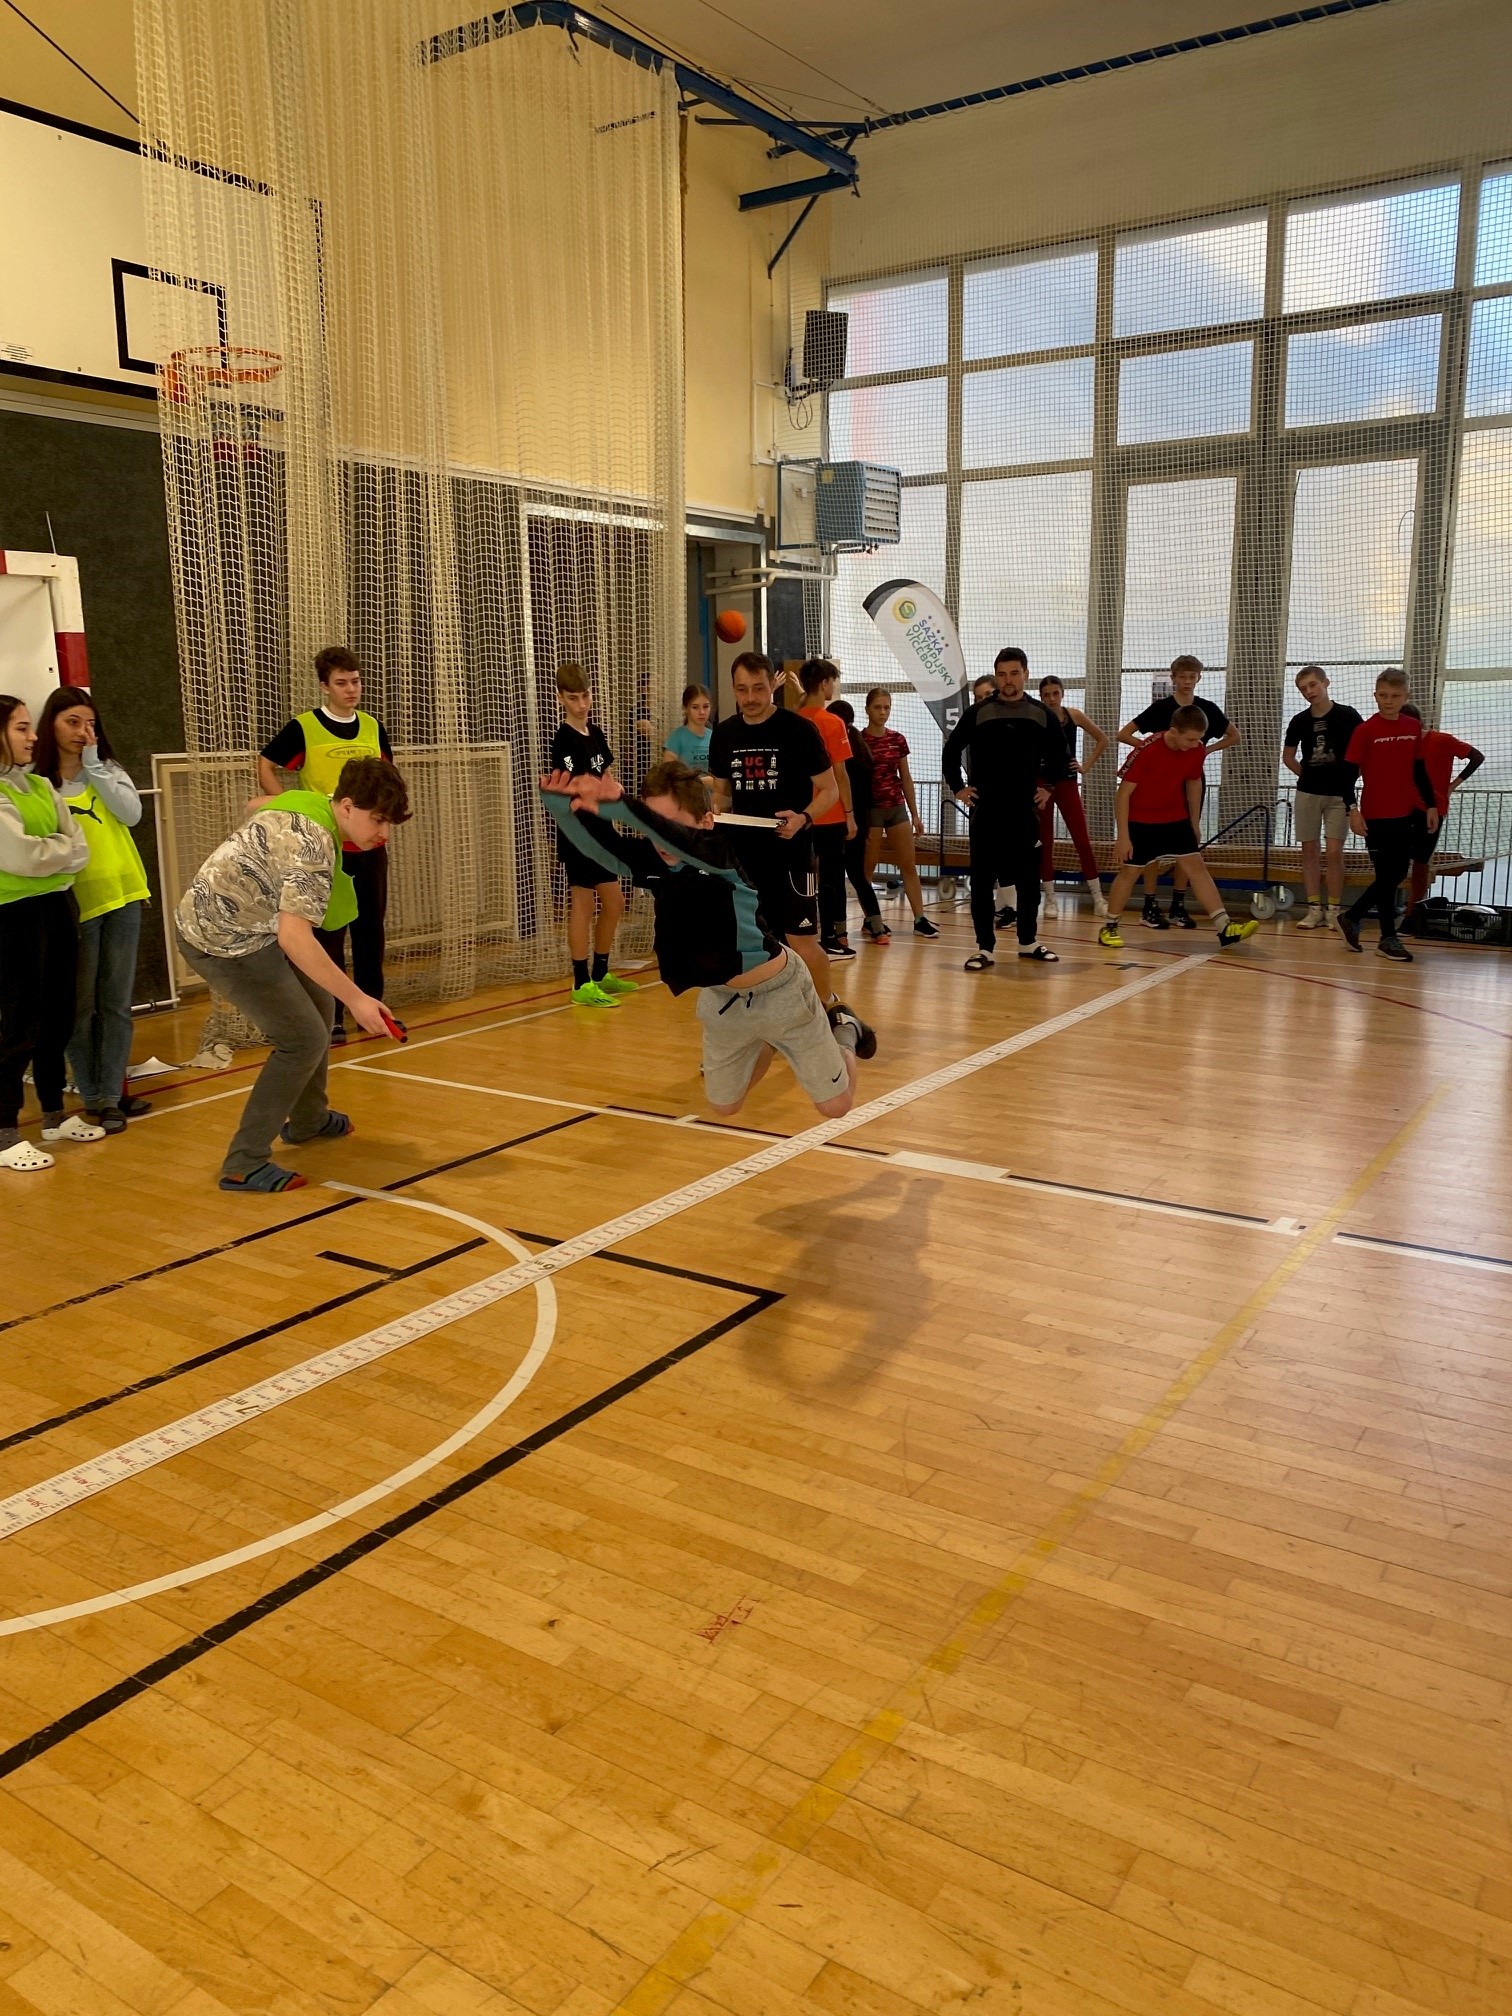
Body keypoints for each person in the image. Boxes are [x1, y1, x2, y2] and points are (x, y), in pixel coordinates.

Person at [541, 760, 873, 1119]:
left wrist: (622, 806)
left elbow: (675, 838)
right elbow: (602, 849)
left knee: (835, 1106)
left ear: (706, 821)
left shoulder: (719, 855)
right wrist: (561, 806)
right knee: (724, 1106)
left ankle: (844, 1029)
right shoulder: (655, 863)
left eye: (670, 824)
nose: (660, 839)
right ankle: (764, 1041)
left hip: (781, 993)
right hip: (724, 1001)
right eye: (654, 825)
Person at [176, 756, 409, 1191]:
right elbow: (294, 939)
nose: (384, 833)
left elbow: (255, 804)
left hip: (250, 925)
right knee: (302, 1039)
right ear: (346, 806)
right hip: (220, 939)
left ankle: (308, 1120)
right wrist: (358, 999)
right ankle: (244, 1163)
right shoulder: (314, 848)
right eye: (378, 819)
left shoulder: (313, 801)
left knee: (319, 1005)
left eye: (389, 822)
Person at [258, 645, 395, 1043]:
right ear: (324, 686)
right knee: (328, 932)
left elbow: (387, 781)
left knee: (371, 929)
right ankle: (331, 1013)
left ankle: (373, 1009)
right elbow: (265, 764)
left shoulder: (372, 727)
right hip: (327, 849)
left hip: (368, 849)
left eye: (356, 681)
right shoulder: (305, 727)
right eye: (341, 683)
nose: (351, 689)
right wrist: (292, 807)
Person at [31, 686, 151, 1134]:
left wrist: (95, 765)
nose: (83, 731)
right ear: (51, 726)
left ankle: (111, 1096)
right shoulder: (38, 782)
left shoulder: (107, 769)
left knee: (116, 1003)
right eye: (72, 722)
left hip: (122, 894)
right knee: (79, 1007)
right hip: (72, 903)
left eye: (90, 724)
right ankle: (93, 1094)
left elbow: (131, 814)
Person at [707, 652, 841, 1015]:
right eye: (742, 689)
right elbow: (723, 793)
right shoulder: (725, 734)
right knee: (755, 941)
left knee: (802, 940)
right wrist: (714, 810)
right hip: (744, 859)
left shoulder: (798, 730)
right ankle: (766, 1021)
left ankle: (830, 1010)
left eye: (758, 688)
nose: (750, 697)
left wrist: (803, 817)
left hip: (792, 854)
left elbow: (830, 790)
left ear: (772, 686)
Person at [0, 694, 97, 1172]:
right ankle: (4, 1130)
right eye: (21, 728)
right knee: (19, 1019)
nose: (32, 735)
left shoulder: (39, 785)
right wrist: (56, 851)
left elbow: (80, 849)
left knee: (59, 1012)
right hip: (12, 914)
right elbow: (19, 856)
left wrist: (52, 851)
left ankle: (54, 1114)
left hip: (57, 905)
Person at [941, 647, 1068, 969]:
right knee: (983, 882)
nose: (1008, 680)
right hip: (986, 812)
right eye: (1002, 674)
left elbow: (1060, 753)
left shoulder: (1041, 713)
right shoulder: (978, 712)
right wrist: (958, 787)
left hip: (1024, 812)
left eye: (1014, 673)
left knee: (1028, 882)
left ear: (1025, 674)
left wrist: (1049, 787)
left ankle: (1028, 942)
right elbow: (951, 751)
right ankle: (985, 948)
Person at [1096, 707, 1259, 950]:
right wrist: (1123, 837)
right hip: (1141, 820)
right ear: (1173, 732)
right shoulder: (1147, 750)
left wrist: (1194, 822)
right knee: (1130, 872)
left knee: (1196, 866)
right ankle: (1109, 927)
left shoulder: (1196, 750)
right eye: (1190, 739)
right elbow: (1123, 795)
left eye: (1199, 739)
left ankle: (1225, 927)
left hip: (1175, 817)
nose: (1196, 745)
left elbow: (1194, 782)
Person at [1117, 655, 1239, 929]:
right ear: (1173, 678)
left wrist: (1204, 750)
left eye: (1191, 676)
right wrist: (1150, 752)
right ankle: (1150, 904)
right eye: (1182, 676)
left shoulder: (1206, 709)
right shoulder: (1161, 708)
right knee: (1148, 844)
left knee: (1188, 843)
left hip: (1189, 781)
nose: (1186, 681)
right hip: (1158, 783)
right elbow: (1123, 734)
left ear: (1199, 678)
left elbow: (1234, 735)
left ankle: (1178, 904)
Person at [549, 662, 638, 1008]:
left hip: (602, 830)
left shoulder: (596, 734)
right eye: (573, 698)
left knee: (615, 903)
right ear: (561, 698)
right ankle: (580, 982)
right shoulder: (563, 740)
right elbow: (577, 786)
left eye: (585, 696)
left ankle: (600, 973)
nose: (581, 704)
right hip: (579, 832)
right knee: (583, 904)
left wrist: (620, 799)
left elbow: (607, 777)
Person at [1337, 671, 1436, 963]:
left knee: (1397, 874)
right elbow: (1347, 776)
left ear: (1406, 697)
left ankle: (1352, 916)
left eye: (1395, 696)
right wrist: (1352, 810)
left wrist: (1430, 805)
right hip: (1375, 815)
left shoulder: (1412, 726)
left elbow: (1418, 769)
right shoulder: (1365, 731)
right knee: (1386, 875)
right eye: (1383, 695)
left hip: (1405, 813)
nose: (1388, 701)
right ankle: (1387, 938)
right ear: (1375, 695)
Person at [1282, 665, 1363, 931]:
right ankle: (1314, 909)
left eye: (1313, 685)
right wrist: (1307, 776)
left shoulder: (1348, 715)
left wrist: (1350, 779)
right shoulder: (1299, 721)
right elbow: (1288, 756)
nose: (1309, 691)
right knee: (1309, 851)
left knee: (1335, 852)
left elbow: (1362, 751)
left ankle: (1334, 910)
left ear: (1326, 683)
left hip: (1339, 795)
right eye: (1303, 689)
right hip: (1308, 793)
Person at [795, 658, 859, 963]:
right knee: (831, 879)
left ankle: (801, 936)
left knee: (803, 878)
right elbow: (840, 774)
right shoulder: (832, 722)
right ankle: (831, 939)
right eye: (833, 680)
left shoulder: (792, 721)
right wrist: (850, 814)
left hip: (801, 814)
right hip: (829, 813)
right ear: (824, 683)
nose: (834, 686)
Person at [1398, 703, 1483, 933]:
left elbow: (1476, 757)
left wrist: (1452, 785)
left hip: (1431, 810)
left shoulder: (1441, 740)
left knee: (1420, 863)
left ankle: (1412, 913)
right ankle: (1405, 910)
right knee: (1401, 862)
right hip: (1403, 808)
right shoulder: (1401, 745)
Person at [861, 688, 937, 937]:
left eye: (887, 707)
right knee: (868, 867)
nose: (883, 712)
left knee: (908, 864)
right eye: (877, 707)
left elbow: (905, 777)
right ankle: (871, 918)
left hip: (896, 808)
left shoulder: (897, 739)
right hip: (871, 810)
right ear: (867, 709)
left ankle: (920, 918)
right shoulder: (859, 740)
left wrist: (915, 814)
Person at [1035, 676, 1108, 919]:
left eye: (1055, 693)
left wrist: (1085, 765)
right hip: (1042, 785)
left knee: (1081, 839)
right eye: (1046, 695)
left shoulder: (1073, 715)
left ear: (1062, 694)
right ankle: (1050, 899)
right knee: (1045, 841)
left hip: (1066, 783)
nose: (1051, 699)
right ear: (1041, 697)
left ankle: (1098, 897)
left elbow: (1102, 738)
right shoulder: (1037, 718)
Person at [829, 698, 888, 942]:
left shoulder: (841, 753)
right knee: (857, 875)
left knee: (835, 877)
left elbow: (840, 786)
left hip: (841, 818)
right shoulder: (861, 747)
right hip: (861, 819)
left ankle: (840, 932)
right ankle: (878, 927)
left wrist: (847, 815)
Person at [663, 684, 713, 773]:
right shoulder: (676, 738)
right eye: (695, 707)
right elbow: (668, 774)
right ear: (686, 708)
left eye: (705, 707)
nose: (702, 712)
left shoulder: (714, 736)